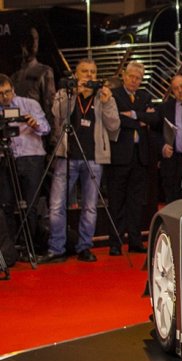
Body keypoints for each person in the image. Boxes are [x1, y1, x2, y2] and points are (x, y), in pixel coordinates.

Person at [40, 59, 119, 263]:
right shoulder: (65, 92)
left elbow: (114, 126)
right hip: (67, 156)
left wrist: (107, 102)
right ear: (76, 74)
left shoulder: (103, 96)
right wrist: (74, 93)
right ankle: (56, 248)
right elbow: (57, 114)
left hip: (94, 158)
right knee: (56, 205)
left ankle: (85, 247)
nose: (89, 75)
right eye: (85, 71)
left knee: (90, 206)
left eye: (93, 72)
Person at [106, 61, 158, 254]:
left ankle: (135, 241)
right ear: (124, 76)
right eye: (131, 76)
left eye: (138, 78)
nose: (134, 80)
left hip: (140, 157)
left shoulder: (145, 96)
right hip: (119, 157)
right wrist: (141, 119)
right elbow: (116, 120)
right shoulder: (114, 95)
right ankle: (115, 243)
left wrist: (134, 114)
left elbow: (155, 118)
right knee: (117, 201)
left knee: (136, 202)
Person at [0, 74, 49, 263]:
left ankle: (30, 246)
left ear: (13, 89)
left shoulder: (29, 104)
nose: (5, 97)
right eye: (0, 94)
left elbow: (46, 128)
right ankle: (10, 249)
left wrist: (34, 124)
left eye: (7, 92)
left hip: (31, 157)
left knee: (31, 204)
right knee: (6, 204)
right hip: (5, 159)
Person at [154, 74, 182, 203]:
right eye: (176, 88)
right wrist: (162, 147)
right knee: (173, 200)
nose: (180, 90)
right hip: (173, 160)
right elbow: (155, 132)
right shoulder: (165, 107)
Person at [12, 28, 56, 121]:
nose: (34, 44)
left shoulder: (45, 71)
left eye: (36, 39)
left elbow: (50, 105)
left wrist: (50, 129)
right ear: (22, 43)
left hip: (37, 124)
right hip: (18, 125)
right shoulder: (14, 75)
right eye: (30, 40)